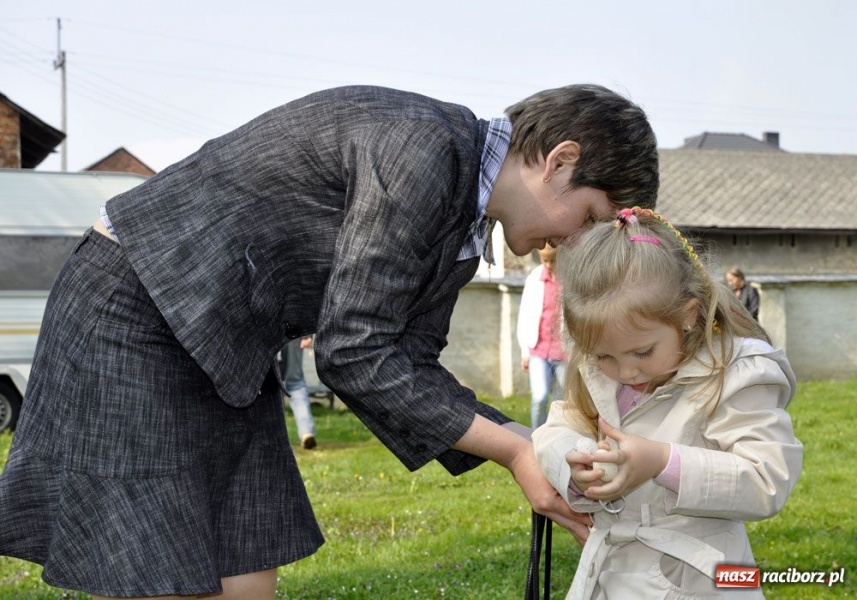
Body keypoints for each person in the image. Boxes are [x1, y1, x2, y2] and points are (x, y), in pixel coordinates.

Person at [0, 84, 659, 600]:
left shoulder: (463, 226)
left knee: (243, 572)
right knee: (155, 573)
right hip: (137, 305)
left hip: (226, 344)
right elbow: (354, 352)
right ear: (559, 161)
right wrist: (515, 451)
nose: (577, 242)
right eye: (589, 218)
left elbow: (406, 364)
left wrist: (531, 444)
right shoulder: (423, 149)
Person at [532, 207, 802, 599]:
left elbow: (767, 478)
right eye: (604, 356)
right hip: (609, 579)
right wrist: (574, 462)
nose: (625, 372)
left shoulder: (735, 374)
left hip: (700, 583)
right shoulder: (598, 371)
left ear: (688, 315)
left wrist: (663, 462)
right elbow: (557, 427)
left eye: (642, 352)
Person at [517, 245, 566, 428]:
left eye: (552, 260)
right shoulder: (534, 278)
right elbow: (524, 314)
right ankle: (536, 437)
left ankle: (557, 437)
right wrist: (524, 352)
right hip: (538, 349)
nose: (548, 265)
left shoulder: (569, 278)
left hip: (564, 352)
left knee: (560, 403)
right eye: (545, 260)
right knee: (539, 397)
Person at [280, 336, 317, 450]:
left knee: (270, 386)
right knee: (295, 384)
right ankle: (306, 432)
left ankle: (272, 434)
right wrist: (307, 335)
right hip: (293, 333)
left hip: (266, 333)